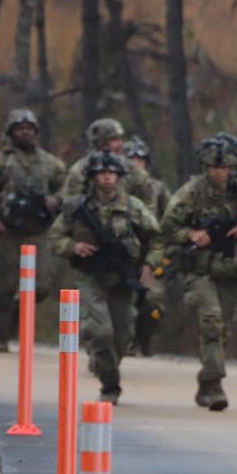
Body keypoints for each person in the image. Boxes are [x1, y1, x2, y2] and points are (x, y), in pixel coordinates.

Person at [161, 134, 237, 410]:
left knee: (222, 330)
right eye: (215, 167)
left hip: (232, 272)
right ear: (205, 167)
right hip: (200, 271)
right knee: (212, 321)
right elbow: (166, 227)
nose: (219, 173)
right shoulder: (191, 193)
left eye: (224, 167)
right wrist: (191, 234)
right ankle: (215, 385)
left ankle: (206, 379)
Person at [49, 151, 163, 404]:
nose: (107, 178)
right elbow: (55, 237)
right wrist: (73, 246)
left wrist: (149, 265)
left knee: (122, 333)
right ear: (93, 177)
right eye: (102, 173)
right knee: (99, 331)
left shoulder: (133, 207)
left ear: (120, 177)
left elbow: (156, 238)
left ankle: (108, 367)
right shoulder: (77, 207)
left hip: (123, 278)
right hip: (89, 276)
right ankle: (109, 385)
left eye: (111, 173)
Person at [0, 108, 66, 352]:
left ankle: (18, 315)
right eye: (19, 128)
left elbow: (68, 190)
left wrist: (56, 200)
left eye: (29, 129)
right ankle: (2, 335)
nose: (25, 133)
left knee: (42, 284)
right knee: (5, 285)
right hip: (6, 231)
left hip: (39, 231)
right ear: (10, 132)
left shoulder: (51, 164)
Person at [121, 136, 172, 359]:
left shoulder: (158, 189)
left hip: (151, 253)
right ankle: (126, 342)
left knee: (153, 301)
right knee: (124, 300)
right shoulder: (113, 188)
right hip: (121, 254)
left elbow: (171, 218)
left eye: (140, 159)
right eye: (131, 158)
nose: (136, 163)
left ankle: (146, 339)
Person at [61, 118, 158, 212]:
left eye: (120, 139)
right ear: (101, 143)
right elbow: (68, 204)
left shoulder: (132, 169)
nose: (120, 144)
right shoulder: (81, 170)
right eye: (114, 139)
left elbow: (149, 201)